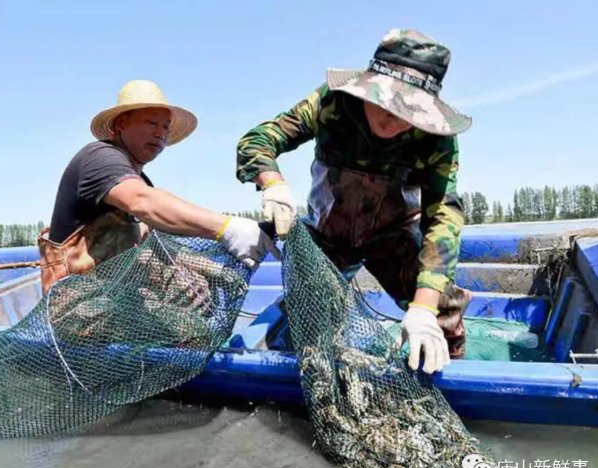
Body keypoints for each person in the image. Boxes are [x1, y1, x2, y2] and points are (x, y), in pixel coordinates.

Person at [235, 29, 472, 374]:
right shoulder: (332, 103)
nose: (393, 120)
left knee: (442, 312)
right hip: (329, 235)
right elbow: (259, 140)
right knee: (308, 317)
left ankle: (453, 384)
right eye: (387, 104)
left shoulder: (436, 140)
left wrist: (422, 307)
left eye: (408, 112)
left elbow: (443, 217)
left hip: (394, 237)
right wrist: (272, 183)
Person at [38, 80, 278, 293]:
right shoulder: (99, 157)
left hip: (117, 293)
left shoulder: (140, 180)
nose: (160, 133)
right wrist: (227, 227)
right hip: (77, 304)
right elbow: (142, 201)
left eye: (166, 127)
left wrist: (212, 269)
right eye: (152, 123)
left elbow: (159, 239)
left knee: (199, 292)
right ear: (121, 123)